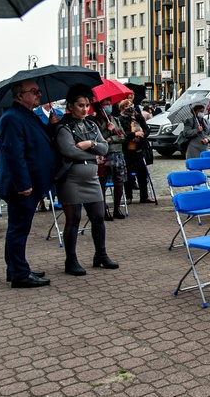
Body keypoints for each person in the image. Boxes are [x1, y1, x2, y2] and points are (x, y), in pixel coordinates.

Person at [52, 85, 118, 276]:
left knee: (98, 217)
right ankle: (70, 260)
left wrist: (90, 144)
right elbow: (69, 151)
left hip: (92, 178)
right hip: (71, 179)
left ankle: (101, 255)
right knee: (74, 220)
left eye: (87, 105)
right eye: (80, 105)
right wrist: (92, 155)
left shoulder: (91, 125)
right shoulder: (63, 127)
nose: (84, 109)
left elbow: (105, 148)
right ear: (70, 106)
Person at [0, 79, 54, 288]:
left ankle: (15, 267)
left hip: (31, 184)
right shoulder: (12, 117)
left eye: (39, 91)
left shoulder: (28, 114)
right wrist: (22, 184)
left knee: (19, 228)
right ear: (19, 95)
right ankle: (20, 273)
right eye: (33, 91)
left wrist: (52, 126)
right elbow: (13, 154)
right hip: (21, 187)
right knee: (18, 229)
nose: (39, 94)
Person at [93, 97, 127, 221]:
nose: (109, 106)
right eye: (106, 104)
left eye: (110, 103)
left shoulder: (115, 119)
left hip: (117, 154)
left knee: (119, 182)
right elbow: (98, 138)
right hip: (104, 155)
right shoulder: (94, 121)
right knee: (102, 182)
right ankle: (103, 208)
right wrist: (108, 130)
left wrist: (112, 138)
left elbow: (123, 136)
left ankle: (117, 208)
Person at [117, 98, 154, 204]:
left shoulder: (138, 117)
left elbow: (146, 129)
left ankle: (144, 196)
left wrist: (142, 135)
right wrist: (133, 135)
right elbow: (123, 132)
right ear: (123, 108)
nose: (130, 106)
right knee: (128, 175)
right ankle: (129, 197)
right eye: (127, 105)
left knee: (142, 174)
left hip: (139, 149)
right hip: (127, 150)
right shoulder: (121, 119)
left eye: (131, 104)